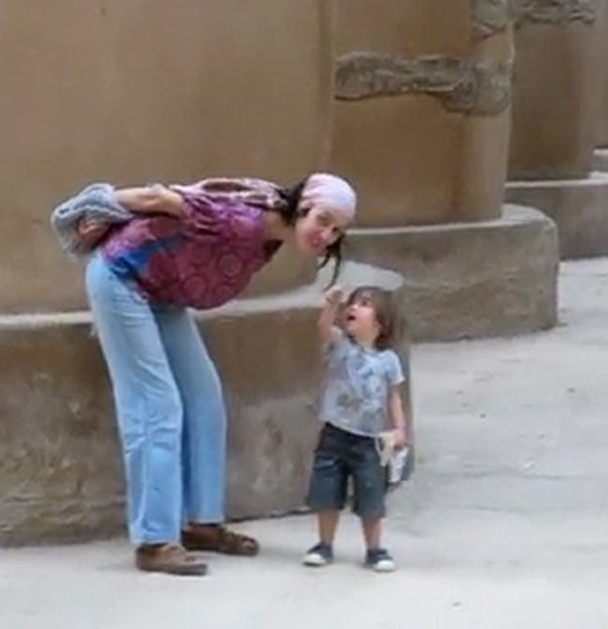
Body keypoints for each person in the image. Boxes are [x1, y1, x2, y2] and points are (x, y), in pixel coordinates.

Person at [69, 173, 357, 576]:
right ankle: (154, 541)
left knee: (204, 399)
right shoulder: (243, 223)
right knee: (157, 406)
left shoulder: (272, 219)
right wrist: (93, 204)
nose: (327, 235)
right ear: (303, 206)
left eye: (337, 230)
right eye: (323, 220)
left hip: (162, 289)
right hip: (122, 278)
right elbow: (162, 199)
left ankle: (201, 523)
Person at [302, 285, 407, 573]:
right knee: (327, 493)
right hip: (335, 432)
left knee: (371, 496)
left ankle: (374, 548)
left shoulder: (388, 361)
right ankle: (324, 544)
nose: (354, 308)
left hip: (371, 440)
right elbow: (324, 328)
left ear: (381, 321)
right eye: (353, 303)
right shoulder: (340, 346)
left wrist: (400, 429)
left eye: (364, 304)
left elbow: (393, 396)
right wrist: (331, 306)